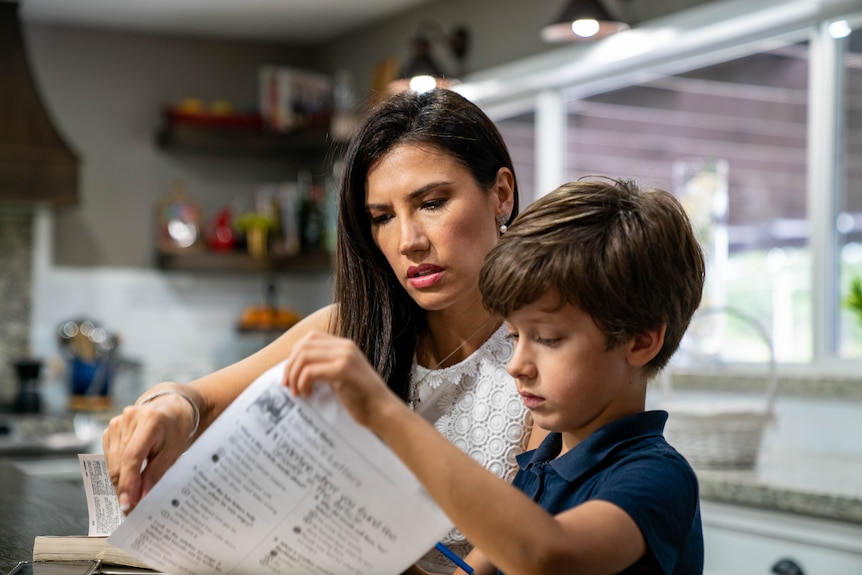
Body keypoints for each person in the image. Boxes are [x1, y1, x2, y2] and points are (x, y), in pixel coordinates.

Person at [103, 88, 536, 573]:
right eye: (383, 217)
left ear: (501, 194)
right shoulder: (350, 328)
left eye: (432, 203)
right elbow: (199, 400)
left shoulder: (541, 356)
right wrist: (167, 411)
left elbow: (509, 560)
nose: (408, 241)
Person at [282, 177, 706, 574]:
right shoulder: (540, 464)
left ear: (639, 342)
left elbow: (546, 555)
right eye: (514, 336)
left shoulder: (654, 476)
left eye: (549, 339)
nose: (516, 364)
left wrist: (382, 411)